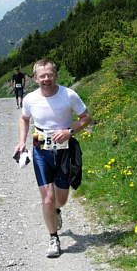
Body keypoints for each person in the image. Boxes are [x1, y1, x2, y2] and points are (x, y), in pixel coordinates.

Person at [14, 60, 91, 258]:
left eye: (49, 75)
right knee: (47, 198)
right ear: (35, 78)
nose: (46, 79)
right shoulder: (30, 99)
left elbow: (85, 118)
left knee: (61, 200)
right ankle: (53, 238)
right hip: (41, 150)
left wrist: (69, 131)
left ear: (56, 75)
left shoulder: (69, 95)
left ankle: (56, 212)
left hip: (65, 151)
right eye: (42, 76)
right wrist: (21, 142)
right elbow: (24, 119)